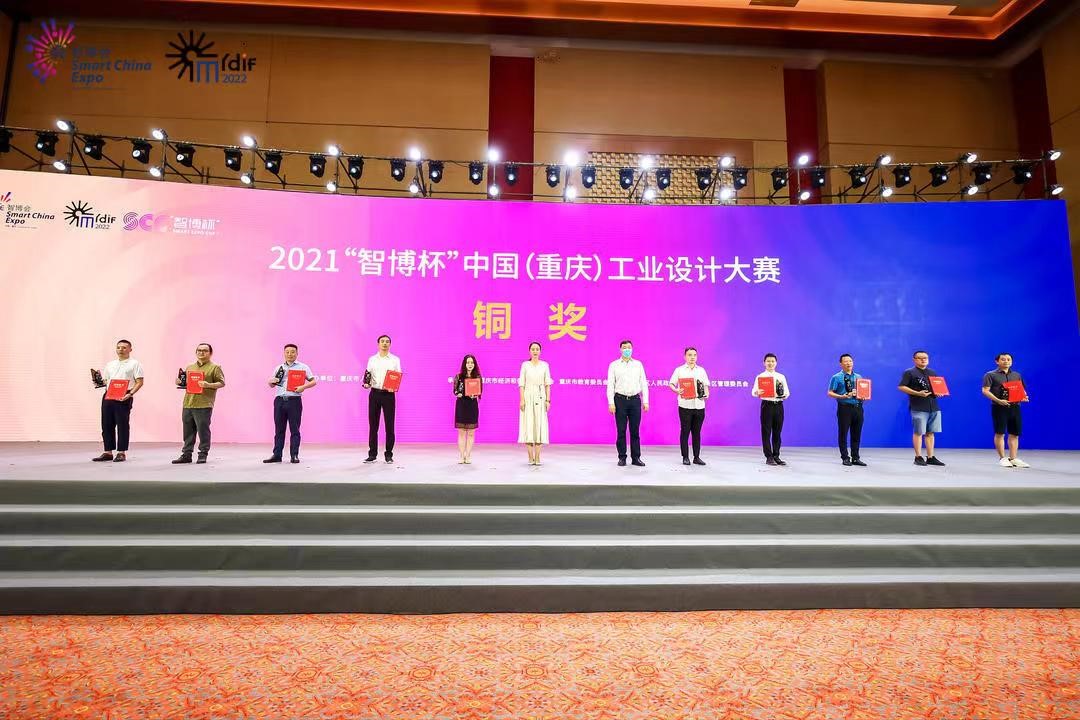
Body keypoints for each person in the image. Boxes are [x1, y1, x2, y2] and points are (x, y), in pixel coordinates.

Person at [91, 339, 145, 463]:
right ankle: (108, 452)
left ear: (130, 349)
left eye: (124, 347)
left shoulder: (135, 364)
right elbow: (106, 381)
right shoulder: (110, 364)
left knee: (122, 424)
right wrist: (97, 380)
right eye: (119, 347)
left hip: (124, 394)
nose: (121, 350)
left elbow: (139, 382)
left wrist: (130, 394)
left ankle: (121, 452)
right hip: (109, 394)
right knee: (106, 424)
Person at [172, 343, 225, 465]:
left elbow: (222, 383)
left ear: (210, 353)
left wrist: (208, 385)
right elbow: (187, 383)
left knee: (203, 431)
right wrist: (179, 382)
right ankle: (186, 454)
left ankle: (203, 454)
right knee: (188, 431)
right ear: (196, 352)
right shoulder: (190, 367)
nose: (201, 352)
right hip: (188, 403)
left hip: (204, 404)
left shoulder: (215, 367)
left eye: (205, 351)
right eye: (199, 350)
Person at [263, 343, 317, 464]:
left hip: (294, 401)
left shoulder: (303, 367)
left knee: (295, 429)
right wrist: (270, 382)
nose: (290, 354)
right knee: (279, 429)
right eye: (287, 352)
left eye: (292, 352)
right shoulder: (279, 368)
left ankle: (294, 455)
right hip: (279, 400)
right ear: (284, 353)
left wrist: (303, 387)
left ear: (297, 353)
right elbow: (272, 385)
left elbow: (313, 381)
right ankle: (277, 455)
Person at [981, 353, 1031, 468]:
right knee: (1000, 433)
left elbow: (1021, 390)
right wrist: (998, 400)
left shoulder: (1016, 375)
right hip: (999, 407)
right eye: (1003, 359)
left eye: (1008, 359)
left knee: (1015, 433)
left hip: (1015, 407)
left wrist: (1023, 397)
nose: (1006, 361)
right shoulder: (990, 375)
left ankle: (1013, 458)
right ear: (997, 361)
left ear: (1011, 362)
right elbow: (985, 390)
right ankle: (1002, 458)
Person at [898, 350, 945, 466]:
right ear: (914, 360)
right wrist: (917, 393)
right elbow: (901, 387)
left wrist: (939, 392)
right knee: (918, 432)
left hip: (933, 406)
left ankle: (930, 457)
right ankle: (918, 457)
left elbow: (936, 387)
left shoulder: (932, 372)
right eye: (920, 358)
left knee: (931, 432)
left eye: (925, 358)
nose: (923, 360)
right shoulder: (909, 372)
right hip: (919, 406)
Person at [606, 340, 649, 467]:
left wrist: (645, 401)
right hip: (620, 400)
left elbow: (643, 383)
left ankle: (636, 458)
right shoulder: (614, 365)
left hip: (635, 400)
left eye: (629, 347)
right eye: (624, 348)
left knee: (635, 431)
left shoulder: (638, 364)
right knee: (621, 430)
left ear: (632, 349)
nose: (627, 350)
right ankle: (622, 457)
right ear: (620, 350)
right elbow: (610, 385)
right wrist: (611, 403)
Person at [363, 334, 401, 463]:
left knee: (389, 425)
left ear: (390, 344)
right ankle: (372, 454)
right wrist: (366, 383)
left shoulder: (395, 360)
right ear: (378, 344)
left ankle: (389, 454)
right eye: (382, 341)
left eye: (387, 341)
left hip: (388, 395)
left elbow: (397, 375)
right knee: (373, 425)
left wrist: (393, 387)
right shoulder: (372, 359)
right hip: (374, 394)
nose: (385, 343)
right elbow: (368, 374)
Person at [669, 347, 709, 466]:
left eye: (694, 355)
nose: (692, 357)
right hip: (685, 406)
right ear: (685, 357)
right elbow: (671, 383)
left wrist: (707, 394)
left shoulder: (701, 370)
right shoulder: (679, 370)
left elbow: (706, 385)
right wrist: (677, 390)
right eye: (690, 355)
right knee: (685, 431)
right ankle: (685, 457)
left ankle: (696, 457)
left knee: (697, 432)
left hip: (699, 405)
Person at [827, 353, 866, 467]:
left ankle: (855, 457)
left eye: (850, 361)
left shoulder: (858, 377)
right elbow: (830, 392)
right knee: (843, 433)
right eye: (846, 361)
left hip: (858, 407)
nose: (849, 363)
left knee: (856, 434)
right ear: (841, 364)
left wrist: (863, 396)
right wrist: (842, 396)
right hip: (844, 408)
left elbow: (862, 391)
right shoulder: (836, 377)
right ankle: (845, 457)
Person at [751, 353, 789, 465]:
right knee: (766, 431)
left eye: (772, 361)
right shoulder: (760, 377)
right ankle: (769, 457)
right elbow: (753, 392)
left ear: (776, 363)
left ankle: (776, 455)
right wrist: (757, 392)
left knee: (777, 432)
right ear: (764, 363)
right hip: (767, 406)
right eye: (768, 361)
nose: (770, 363)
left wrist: (784, 395)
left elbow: (787, 392)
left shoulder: (781, 377)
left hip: (779, 405)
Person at [518, 341, 553, 465]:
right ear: (529, 351)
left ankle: (537, 457)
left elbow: (547, 384)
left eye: (537, 349)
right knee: (528, 425)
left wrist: (548, 400)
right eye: (533, 349)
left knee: (539, 425)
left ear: (540, 351)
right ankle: (530, 457)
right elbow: (521, 384)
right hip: (528, 396)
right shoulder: (525, 365)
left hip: (540, 396)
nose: (535, 351)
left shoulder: (545, 365)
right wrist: (522, 399)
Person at [454, 354, 482, 464]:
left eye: (472, 362)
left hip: (472, 406)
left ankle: (468, 455)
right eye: (468, 362)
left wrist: (475, 394)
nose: (470, 364)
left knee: (471, 433)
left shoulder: (477, 377)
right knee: (461, 433)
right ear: (464, 364)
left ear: (474, 364)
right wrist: (458, 394)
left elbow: (480, 391)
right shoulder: (459, 377)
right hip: (461, 405)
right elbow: (455, 391)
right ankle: (461, 456)